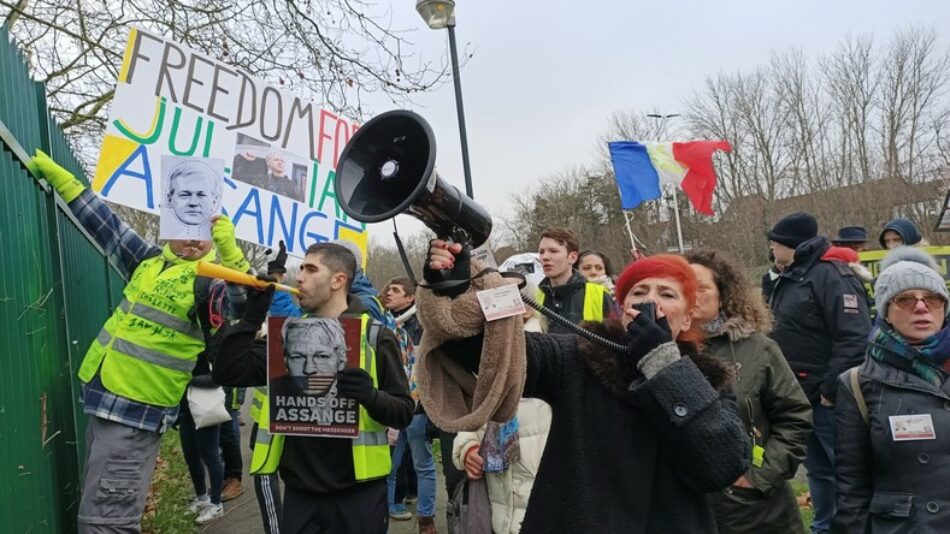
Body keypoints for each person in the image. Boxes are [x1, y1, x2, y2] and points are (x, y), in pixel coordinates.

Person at [421, 243, 750, 531]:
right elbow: (496, 354)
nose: (651, 302)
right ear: (623, 310)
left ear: (688, 318)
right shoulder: (581, 356)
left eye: (667, 294)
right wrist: (454, 289)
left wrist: (662, 363)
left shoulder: (708, 379)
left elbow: (724, 464)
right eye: (638, 292)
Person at [30, 150, 250, 533]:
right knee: (98, 513)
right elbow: (106, 225)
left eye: (202, 214)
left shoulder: (211, 280)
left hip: (136, 413)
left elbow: (244, 308)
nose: (192, 230)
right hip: (104, 398)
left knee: (105, 524)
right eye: (184, 206)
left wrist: (231, 256)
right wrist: (64, 182)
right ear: (169, 211)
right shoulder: (149, 261)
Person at [211, 243, 414, 534]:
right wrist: (251, 317)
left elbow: (404, 413)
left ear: (338, 280)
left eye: (310, 269)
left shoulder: (374, 336)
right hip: (300, 494)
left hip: (360, 495)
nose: (299, 277)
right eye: (301, 268)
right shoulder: (287, 334)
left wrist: (370, 396)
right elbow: (228, 372)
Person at [686, 249, 813, 534]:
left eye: (701, 287)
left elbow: (795, 417)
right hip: (683, 510)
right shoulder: (659, 351)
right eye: (683, 286)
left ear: (723, 295)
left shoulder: (757, 348)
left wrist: (757, 477)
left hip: (754, 511)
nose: (691, 294)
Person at [766, 211, 871, 534]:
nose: (772, 250)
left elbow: (854, 336)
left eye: (775, 244)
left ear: (789, 244)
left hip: (828, 398)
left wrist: (829, 390)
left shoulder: (831, 276)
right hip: (799, 395)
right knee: (818, 471)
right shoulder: (792, 276)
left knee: (845, 470)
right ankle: (825, 527)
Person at [834, 247, 950, 533]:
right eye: (905, 299)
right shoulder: (857, 384)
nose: (922, 307)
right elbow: (852, 489)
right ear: (886, 311)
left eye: (933, 299)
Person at [452, 281, 552, 534]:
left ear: (528, 308)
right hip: (498, 501)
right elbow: (474, 415)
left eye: (505, 299)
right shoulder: (486, 358)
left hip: (540, 500)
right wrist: (468, 448)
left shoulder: (554, 357)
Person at [382, 278, 438, 533]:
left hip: (417, 409)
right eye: (389, 290)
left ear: (410, 298)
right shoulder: (384, 323)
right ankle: (390, 504)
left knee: (423, 464)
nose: (389, 294)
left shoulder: (423, 326)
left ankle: (426, 518)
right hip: (394, 407)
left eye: (396, 291)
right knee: (391, 463)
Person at [179, 343, 226, 524]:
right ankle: (201, 497)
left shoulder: (211, 343)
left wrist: (186, 379)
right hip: (185, 408)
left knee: (210, 454)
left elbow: (218, 378)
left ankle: (216, 503)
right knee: (190, 454)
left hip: (205, 405)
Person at [536, 228, 615, 333]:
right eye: (541, 252)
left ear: (572, 257)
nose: (545, 257)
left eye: (553, 251)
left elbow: (615, 342)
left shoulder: (600, 295)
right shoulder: (534, 297)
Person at [166, 159, 220, 225]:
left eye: (201, 195)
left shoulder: (225, 230)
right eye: (184, 195)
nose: (193, 203)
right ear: (169, 200)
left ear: (215, 201)